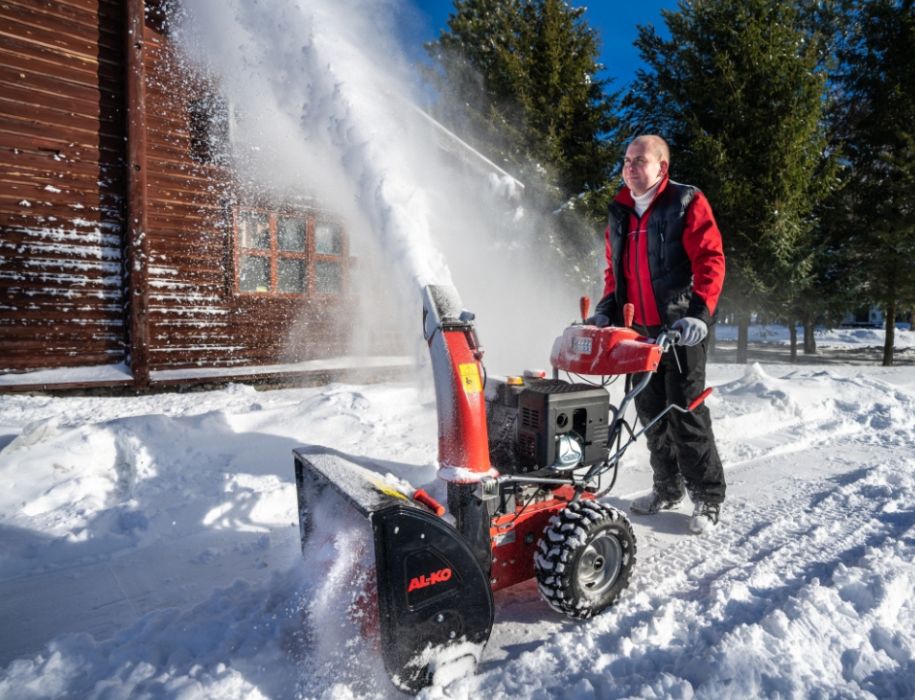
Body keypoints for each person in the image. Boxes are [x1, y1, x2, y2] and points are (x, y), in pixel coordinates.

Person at [587, 134, 726, 534]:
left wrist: (698, 314)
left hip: (681, 331)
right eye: (626, 160)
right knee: (649, 413)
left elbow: (710, 260)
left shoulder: (685, 201)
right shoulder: (619, 211)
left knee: (685, 412)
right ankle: (667, 487)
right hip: (638, 334)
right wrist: (606, 309)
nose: (630, 167)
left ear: (661, 167)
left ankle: (707, 497)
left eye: (639, 160)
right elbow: (615, 273)